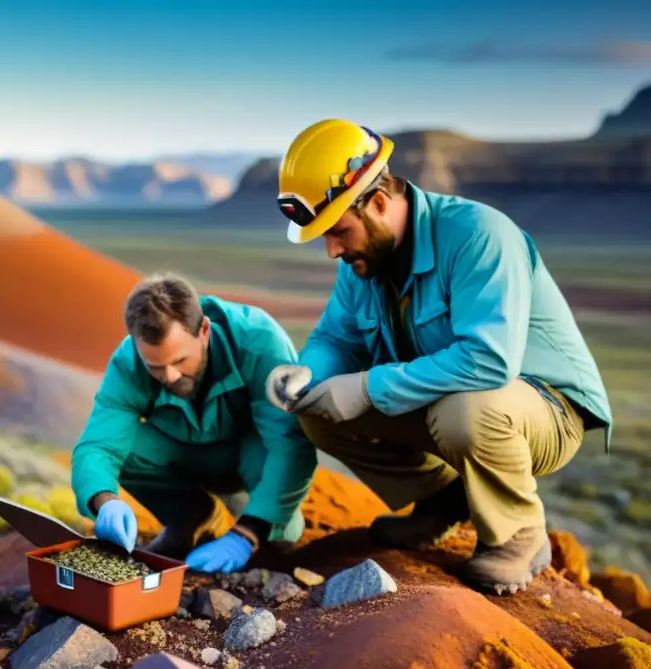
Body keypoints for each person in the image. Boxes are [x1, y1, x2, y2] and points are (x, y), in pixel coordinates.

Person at [266, 118, 612, 595]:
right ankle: (441, 500)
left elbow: (489, 361)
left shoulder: (478, 236)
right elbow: (337, 339)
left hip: (543, 410)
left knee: (463, 411)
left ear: (380, 203)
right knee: (319, 412)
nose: (331, 251)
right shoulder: (366, 261)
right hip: (450, 398)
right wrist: (308, 373)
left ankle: (519, 534)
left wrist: (366, 387)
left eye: (339, 231)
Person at [70, 272, 317, 573]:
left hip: (252, 453)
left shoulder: (259, 339)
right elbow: (98, 445)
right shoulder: (128, 362)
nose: (170, 377)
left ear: (204, 330)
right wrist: (104, 502)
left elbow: (290, 445)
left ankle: (263, 526)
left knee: (283, 534)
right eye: (156, 367)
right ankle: (191, 516)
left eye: (179, 361)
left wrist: (247, 533)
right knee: (125, 445)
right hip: (184, 455)